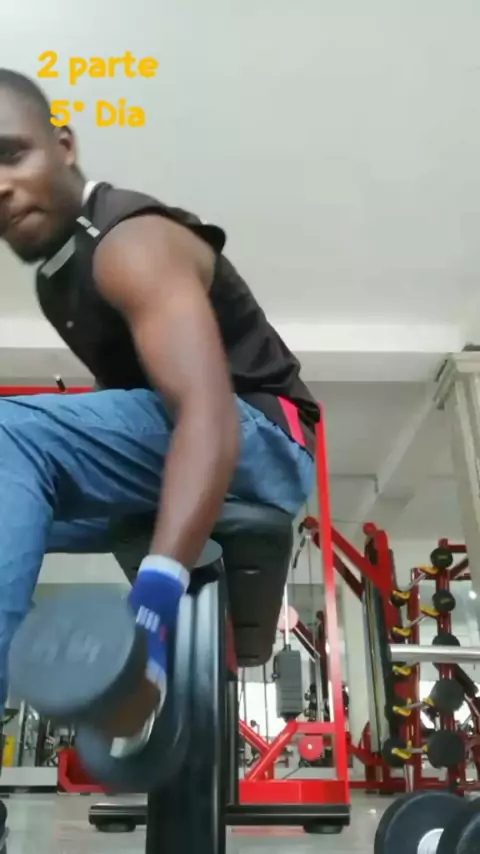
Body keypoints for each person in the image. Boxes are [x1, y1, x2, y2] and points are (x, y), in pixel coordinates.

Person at [0, 68, 319, 748]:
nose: (1, 185)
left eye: (11, 154)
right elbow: (131, 406)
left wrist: (151, 616)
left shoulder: (128, 243)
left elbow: (207, 411)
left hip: (260, 437)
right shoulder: (58, 281)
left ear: (63, 145)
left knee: (7, 434)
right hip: (182, 438)